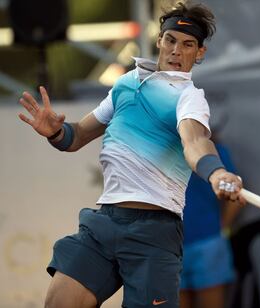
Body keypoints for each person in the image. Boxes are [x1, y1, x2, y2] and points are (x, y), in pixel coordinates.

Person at [17, 2, 244, 307]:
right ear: (160, 41)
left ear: (199, 53)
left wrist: (216, 172)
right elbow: (78, 135)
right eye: (171, 40)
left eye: (188, 44)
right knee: (60, 302)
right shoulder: (125, 84)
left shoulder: (190, 98)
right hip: (104, 222)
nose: (177, 50)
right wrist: (56, 132)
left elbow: (195, 141)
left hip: (155, 233)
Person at [180, 135, 242, 308]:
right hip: (169, 247)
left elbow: (235, 197)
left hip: (208, 243)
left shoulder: (216, 153)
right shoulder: (158, 152)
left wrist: (221, 228)